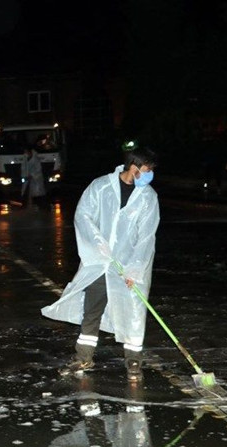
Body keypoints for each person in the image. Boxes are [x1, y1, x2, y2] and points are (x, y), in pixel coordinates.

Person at [41, 147, 159, 383]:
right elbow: (83, 216)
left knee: (133, 311)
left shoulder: (148, 197)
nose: (150, 175)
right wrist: (97, 243)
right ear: (134, 168)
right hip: (100, 263)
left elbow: (146, 236)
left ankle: (133, 361)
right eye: (147, 170)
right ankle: (84, 356)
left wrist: (135, 269)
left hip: (129, 265)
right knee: (92, 309)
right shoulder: (100, 187)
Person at [21, 145, 47, 210]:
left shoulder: (36, 158)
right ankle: (28, 205)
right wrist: (25, 176)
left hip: (36, 179)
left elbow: (38, 169)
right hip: (28, 178)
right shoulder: (25, 157)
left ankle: (39, 206)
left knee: (37, 193)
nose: (25, 153)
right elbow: (23, 167)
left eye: (26, 151)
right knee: (27, 192)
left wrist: (32, 175)